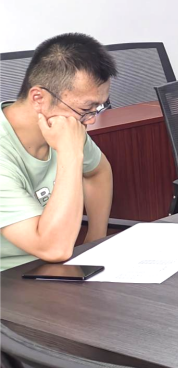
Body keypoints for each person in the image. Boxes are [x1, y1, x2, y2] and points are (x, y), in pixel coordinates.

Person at [0, 33, 115, 272]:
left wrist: (95, 239)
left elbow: (99, 172)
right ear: (38, 98)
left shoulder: (65, 125)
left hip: (52, 270)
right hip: (10, 279)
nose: (91, 120)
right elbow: (54, 249)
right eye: (86, 108)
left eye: (98, 107)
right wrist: (71, 154)